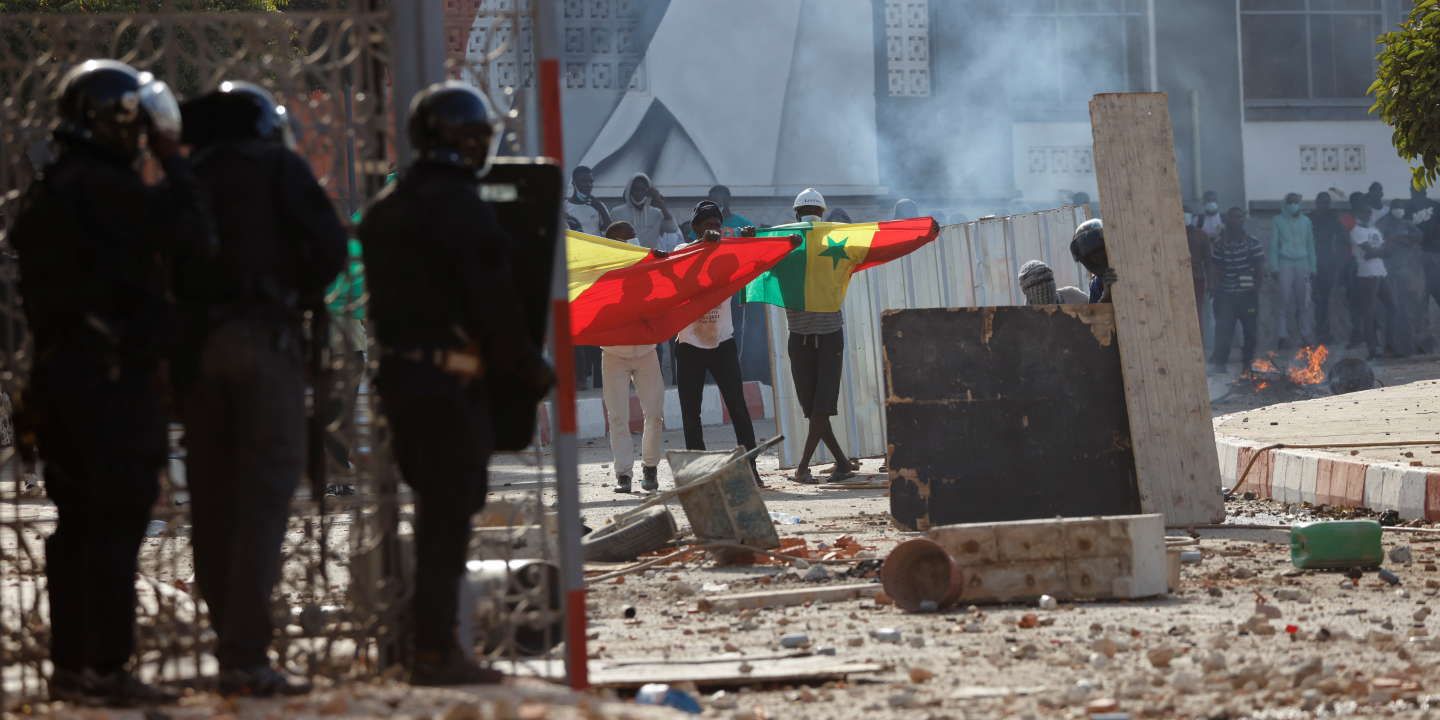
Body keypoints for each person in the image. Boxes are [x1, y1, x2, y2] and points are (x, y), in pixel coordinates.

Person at [9, 59, 212, 706]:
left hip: (59, 377)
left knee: (77, 527)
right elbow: (190, 239)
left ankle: (72, 665)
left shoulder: (51, 188)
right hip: (111, 382)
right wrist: (173, 158)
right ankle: (107, 667)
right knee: (116, 525)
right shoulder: (110, 190)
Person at [359, 82, 551, 685]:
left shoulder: (386, 207)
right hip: (450, 383)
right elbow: (493, 303)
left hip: (398, 379)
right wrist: (527, 369)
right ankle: (435, 652)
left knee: (422, 508)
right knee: (446, 520)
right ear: (466, 142)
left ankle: (418, 642)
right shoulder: (464, 207)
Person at [176, 80, 347, 696]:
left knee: (212, 502)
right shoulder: (277, 167)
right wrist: (293, 294)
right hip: (265, 342)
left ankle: (229, 643)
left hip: (196, 356)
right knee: (263, 502)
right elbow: (330, 247)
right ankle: (245, 656)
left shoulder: (185, 177)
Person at [674, 202, 761, 482]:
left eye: (716, 223)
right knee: (691, 412)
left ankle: (752, 468)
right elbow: (681, 279)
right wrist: (703, 247)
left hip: (722, 341)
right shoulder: (680, 252)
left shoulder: (728, 253)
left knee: (738, 407)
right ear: (695, 228)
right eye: (706, 223)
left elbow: (750, 265)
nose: (712, 227)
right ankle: (699, 473)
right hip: (689, 344)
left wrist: (748, 242)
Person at [786, 188, 855, 484]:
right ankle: (841, 463)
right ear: (822, 212)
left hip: (804, 336)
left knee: (818, 407)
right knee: (816, 408)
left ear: (796, 213)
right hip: (825, 336)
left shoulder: (783, 242)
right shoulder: (839, 240)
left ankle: (802, 467)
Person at [598, 220, 667, 493]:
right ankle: (623, 475)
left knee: (655, 414)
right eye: (625, 239)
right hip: (613, 353)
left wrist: (661, 263)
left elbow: (664, 286)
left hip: (646, 351)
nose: (631, 242)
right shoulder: (601, 271)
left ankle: (650, 469)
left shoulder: (646, 264)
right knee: (617, 417)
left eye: (633, 237)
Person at [1208, 207, 1266, 374]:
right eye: (1233, 218)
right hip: (1226, 296)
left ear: (1243, 220)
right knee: (1224, 331)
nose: (1237, 220)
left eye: (1240, 217)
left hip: (1247, 295)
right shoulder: (1220, 244)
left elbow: (1260, 267)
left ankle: (1247, 364)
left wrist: (1256, 288)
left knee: (1250, 332)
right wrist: (1214, 288)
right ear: (1227, 220)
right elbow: (1215, 267)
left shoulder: (1252, 242)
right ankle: (1220, 364)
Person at [1269, 192, 1316, 349]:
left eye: (1296, 202)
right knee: (1283, 300)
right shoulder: (1278, 221)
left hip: (1303, 263)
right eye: (1290, 202)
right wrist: (1274, 267)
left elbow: (1310, 245)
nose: (1293, 205)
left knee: (1304, 301)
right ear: (1285, 203)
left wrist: (1313, 267)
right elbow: (1273, 246)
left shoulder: (1306, 221)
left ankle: (1305, 334)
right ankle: (1282, 335)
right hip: (1285, 263)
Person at [1378, 197, 1423, 356]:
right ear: (1392, 208)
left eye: (1402, 207)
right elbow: (1380, 244)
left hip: (1406, 273)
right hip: (1389, 274)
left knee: (1407, 311)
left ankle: (1408, 347)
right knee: (1392, 311)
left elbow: (1419, 236)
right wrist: (1395, 240)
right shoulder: (1383, 223)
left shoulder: (1406, 223)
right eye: (1397, 207)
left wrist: (1402, 239)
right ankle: (1390, 347)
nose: (1400, 210)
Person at [1349, 196, 1388, 359]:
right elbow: (1370, 252)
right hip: (1367, 274)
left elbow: (1382, 251)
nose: (1368, 214)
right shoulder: (1356, 231)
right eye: (1365, 212)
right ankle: (1373, 348)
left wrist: (1378, 252)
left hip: (1381, 272)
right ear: (1358, 213)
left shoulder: (1374, 230)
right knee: (1369, 312)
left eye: (1369, 212)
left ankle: (1390, 343)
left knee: (1392, 307)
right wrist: (1379, 251)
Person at [1309, 191, 1348, 344]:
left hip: (1328, 262)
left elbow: (1343, 238)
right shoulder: (1310, 218)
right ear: (1317, 203)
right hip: (1313, 261)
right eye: (1322, 202)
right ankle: (1319, 333)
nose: (1324, 205)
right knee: (1315, 299)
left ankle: (1324, 333)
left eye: (1327, 202)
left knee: (1325, 299)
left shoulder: (1333, 218)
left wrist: (1340, 259)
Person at [610, 172, 680, 252]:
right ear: (630, 190)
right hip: (627, 257)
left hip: (650, 259)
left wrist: (659, 202)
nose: (639, 193)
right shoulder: (617, 212)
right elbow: (611, 237)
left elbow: (672, 228)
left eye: (642, 190)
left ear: (647, 192)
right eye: (635, 189)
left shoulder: (656, 213)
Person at [1069, 218, 1114, 303]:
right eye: (1091, 256)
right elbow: (1095, 314)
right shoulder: (1095, 284)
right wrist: (1106, 297)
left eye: (1099, 253)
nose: (1097, 259)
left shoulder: (1125, 268)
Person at [1184, 206, 1211, 329]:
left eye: (1187, 214)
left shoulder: (1201, 235)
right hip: (1174, 280)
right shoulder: (1169, 235)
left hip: (1196, 278)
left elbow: (1208, 260)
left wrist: (1211, 281)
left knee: (1196, 310)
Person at [565, 165, 610, 235]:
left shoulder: (599, 205)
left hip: (595, 245)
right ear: (574, 183)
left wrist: (601, 209)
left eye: (591, 181)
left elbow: (610, 232)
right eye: (584, 181)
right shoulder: (564, 207)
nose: (588, 185)